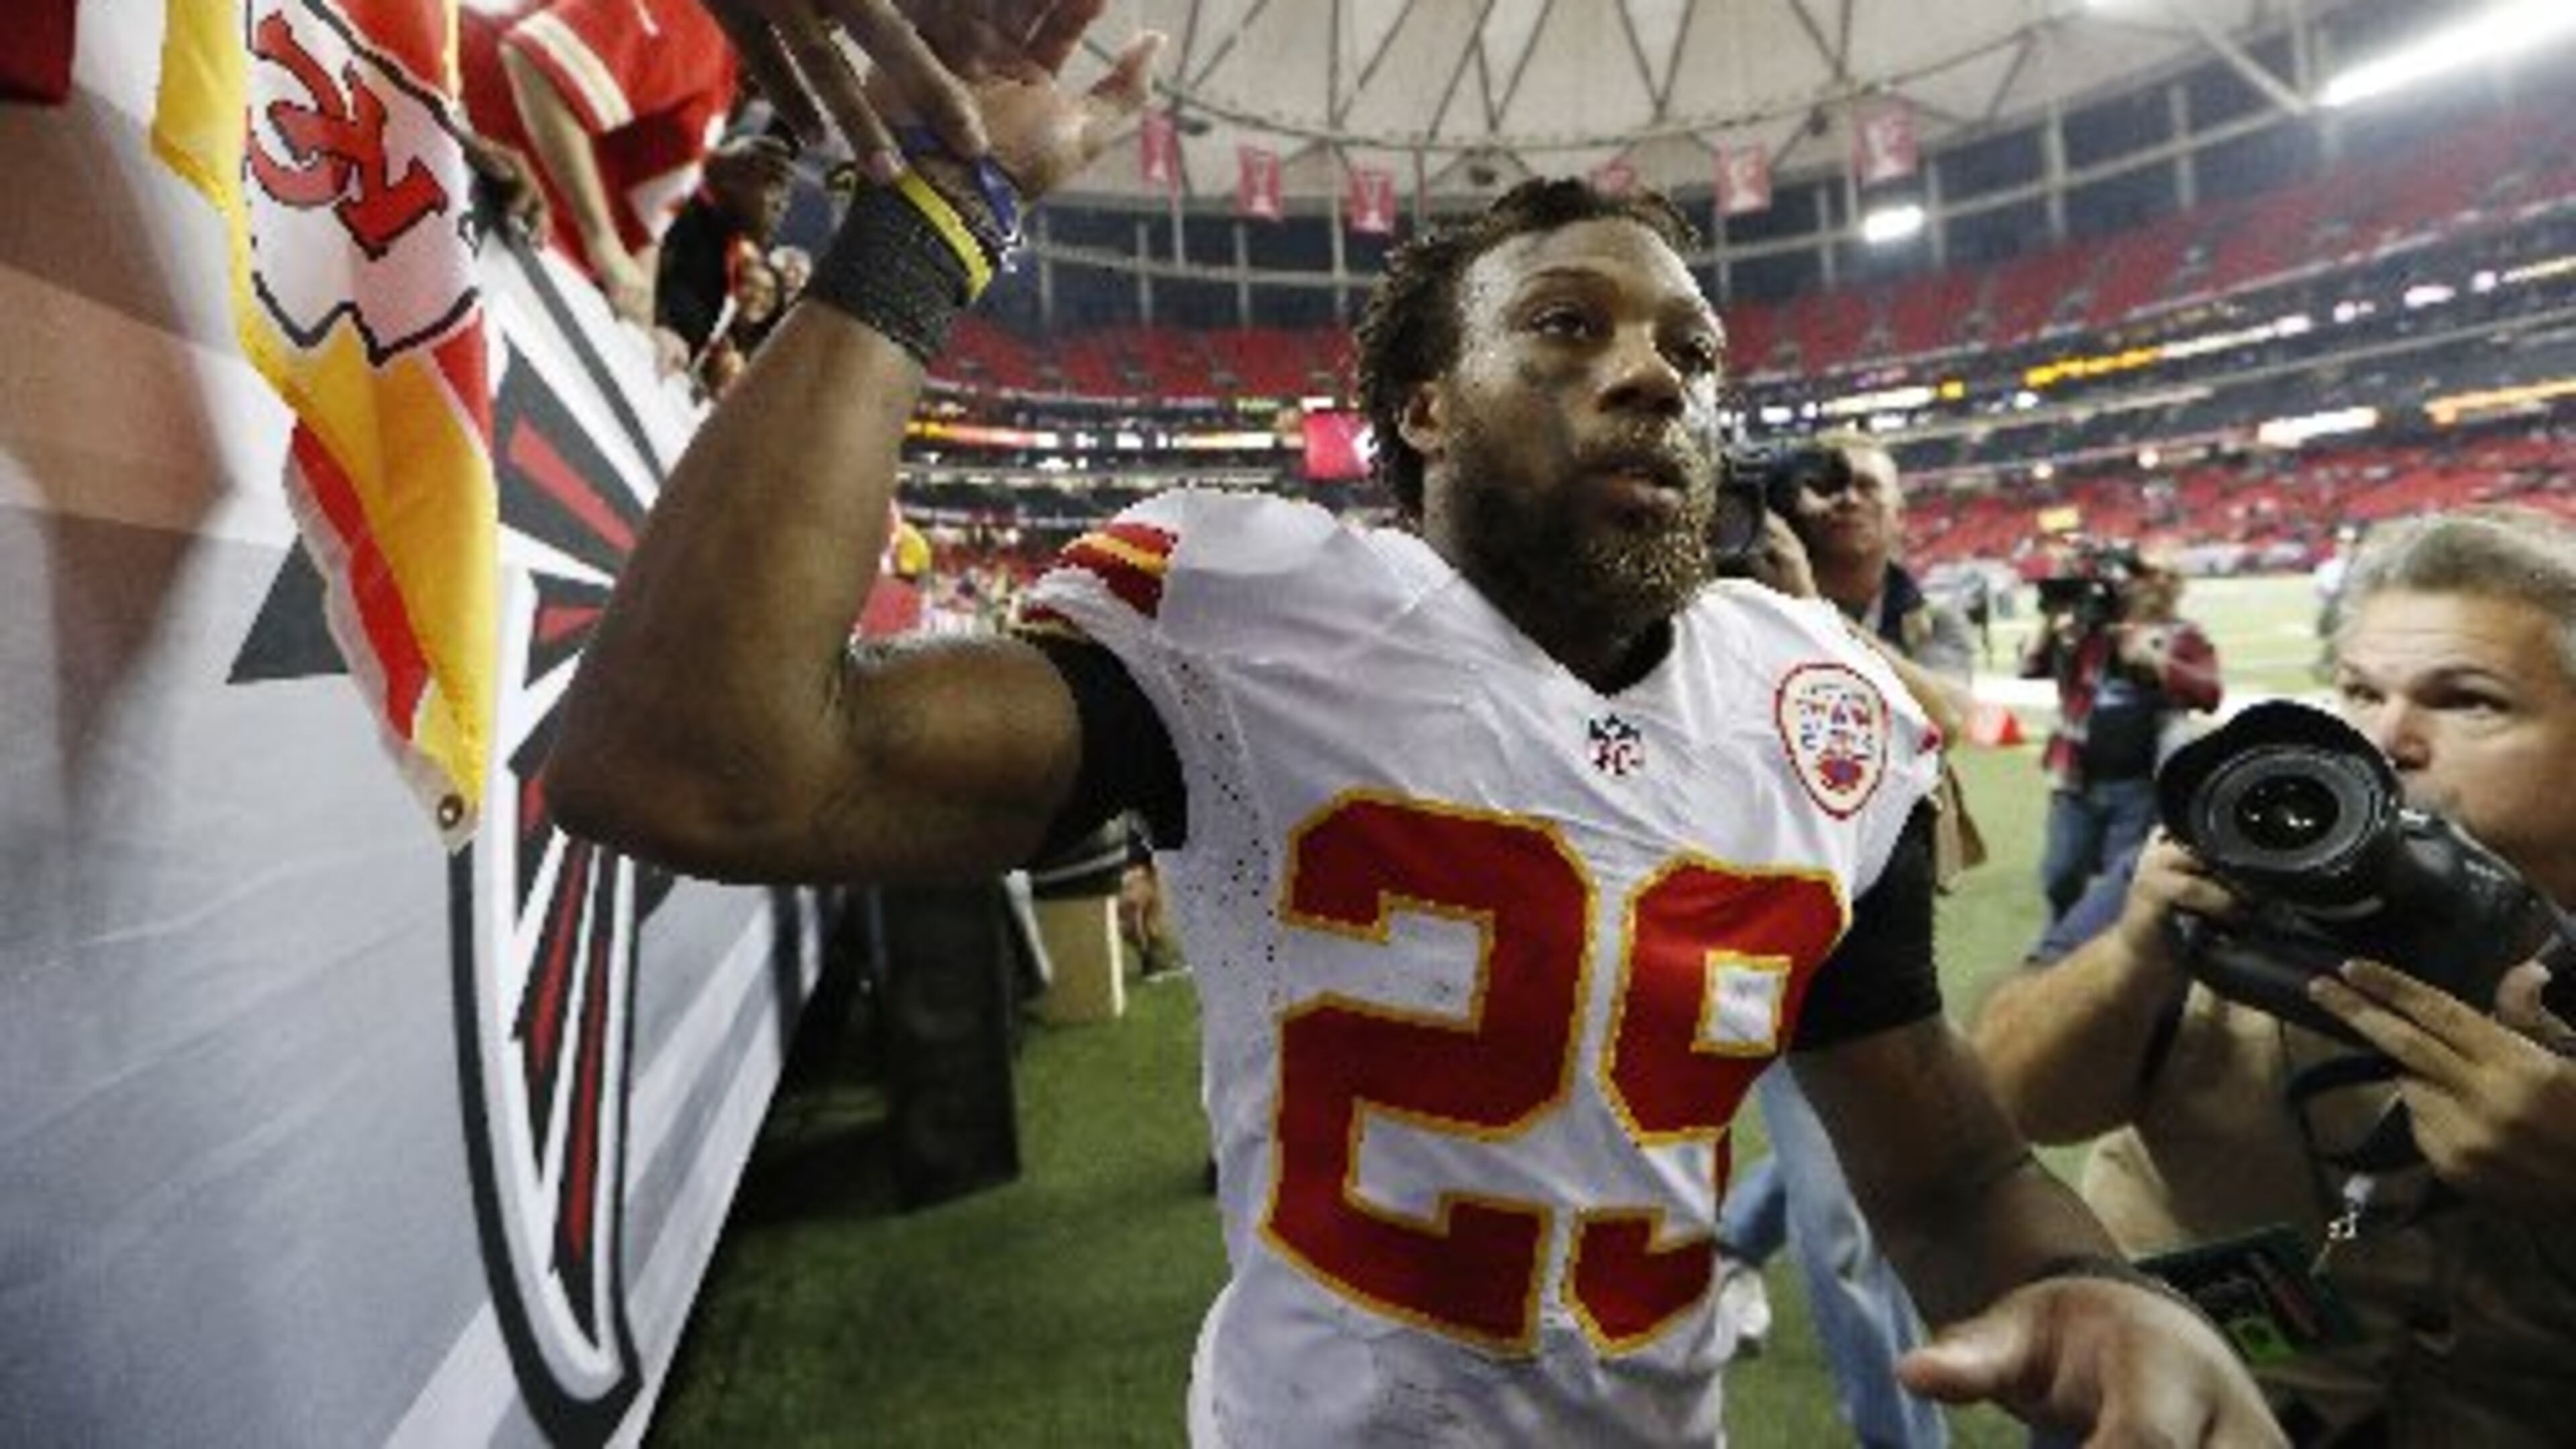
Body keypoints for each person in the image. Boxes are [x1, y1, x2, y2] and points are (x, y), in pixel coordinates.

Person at [545, 5, 2275, 1443]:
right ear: (1426, 407)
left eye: (1691, 350)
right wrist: (929, 222)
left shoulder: (1816, 708)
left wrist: (2090, 1290)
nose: (1657, 374)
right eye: (1567, 326)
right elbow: (692, 767)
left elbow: (1949, 1171)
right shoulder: (1260, 625)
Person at [1972, 508, 2576, 1446]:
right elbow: (2021, 1099)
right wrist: (2133, 954)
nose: (2388, 738)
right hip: (2172, 1405)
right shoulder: (2228, 855)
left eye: (2468, 701)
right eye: (2361, 691)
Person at [1715, 435, 1970, 1448]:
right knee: (1840, 1201)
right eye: (1818, 485)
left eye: (1868, 482)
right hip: (1733, 924)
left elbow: (1947, 716)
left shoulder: (1925, 616)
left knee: (1851, 1210)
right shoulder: (1723, 603)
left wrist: (1811, 611)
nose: (1845, 498)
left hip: (1859, 955)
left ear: (1901, 510)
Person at [458, 0, 741, 326]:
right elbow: (537, 63)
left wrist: (643, 327)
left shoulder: (724, 57)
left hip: (526, 253)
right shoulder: (700, 19)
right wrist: (602, 241)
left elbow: (642, 221)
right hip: (487, 214)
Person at [2021, 542, 2220, 922]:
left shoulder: (2185, 636)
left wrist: (2156, 662)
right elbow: (2031, 666)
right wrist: (2056, 611)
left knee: (2121, 886)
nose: (2157, 583)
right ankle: (2061, 938)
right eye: (2147, 574)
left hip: (2139, 787)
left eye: (2168, 576)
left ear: (2179, 586)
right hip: (2077, 780)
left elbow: (2209, 693)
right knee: (2060, 876)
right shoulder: (2091, 628)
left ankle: (2097, 950)